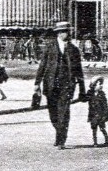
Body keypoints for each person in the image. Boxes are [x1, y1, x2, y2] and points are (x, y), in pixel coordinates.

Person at [34, 21, 85, 149]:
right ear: (58, 33)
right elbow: (42, 66)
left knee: (64, 112)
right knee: (53, 113)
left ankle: (61, 139)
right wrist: (37, 83)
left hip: (67, 84)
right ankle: (59, 132)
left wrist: (82, 88)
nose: (67, 34)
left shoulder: (74, 50)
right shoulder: (49, 47)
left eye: (68, 31)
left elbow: (79, 70)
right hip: (50, 84)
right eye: (64, 32)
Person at [86, 77, 108, 147]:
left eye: (101, 84)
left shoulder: (102, 94)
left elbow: (105, 105)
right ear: (93, 85)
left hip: (101, 114)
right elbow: (85, 98)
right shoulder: (90, 93)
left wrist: (106, 115)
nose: (101, 86)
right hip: (93, 114)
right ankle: (95, 142)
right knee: (94, 129)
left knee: (102, 128)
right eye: (99, 84)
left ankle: (106, 140)